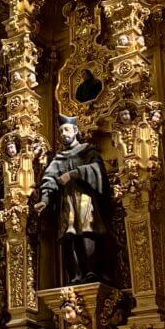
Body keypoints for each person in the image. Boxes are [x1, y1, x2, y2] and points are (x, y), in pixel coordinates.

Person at [34, 117, 110, 285]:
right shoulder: (59, 158)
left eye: (66, 130)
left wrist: (74, 174)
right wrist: (45, 200)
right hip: (67, 202)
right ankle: (76, 274)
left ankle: (91, 270)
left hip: (85, 200)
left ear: (75, 131)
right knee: (69, 235)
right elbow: (49, 179)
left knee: (88, 230)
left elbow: (97, 169)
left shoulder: (87, 150)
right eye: (61, 131)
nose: (63, 134)